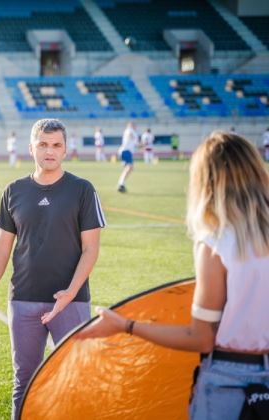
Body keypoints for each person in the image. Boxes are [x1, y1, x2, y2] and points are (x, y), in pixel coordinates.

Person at [78, 131, 269, 420]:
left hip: (229, 380)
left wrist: (126, 325)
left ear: (206, 181)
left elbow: (201, 337)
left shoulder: (216, 242)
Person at [0, 119, 105, 419]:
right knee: (24, 381)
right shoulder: (14, 190)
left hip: (70, 301)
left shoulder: (82, 189)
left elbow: (91, 248)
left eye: (56, 145)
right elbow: (1, 247)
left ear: (66, 149)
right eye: (43, 144)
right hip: (23, 299)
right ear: (31, 148)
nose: (49, 151)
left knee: (75, 379)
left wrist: (70, 292)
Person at [117, 122, 138, 192]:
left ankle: (121, 184)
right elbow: (129, 135)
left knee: (129, 168)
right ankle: (121, 184)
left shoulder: (131, 131)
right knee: (129, 167)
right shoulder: (130, 130)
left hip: (126, 151)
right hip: (126, 151)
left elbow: (134, 143)